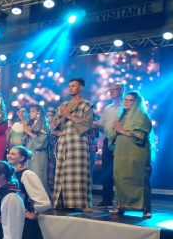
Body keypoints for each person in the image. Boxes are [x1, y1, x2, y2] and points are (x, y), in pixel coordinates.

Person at [51, 77, 94, 211]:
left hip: (78, 141)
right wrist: (61, 118)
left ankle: (83, 204)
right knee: (63, 171)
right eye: (69, 86)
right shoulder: (63, 105)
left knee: (79, 172)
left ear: (81, 87)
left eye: (74, 86)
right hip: (64, 141)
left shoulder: (86, 105)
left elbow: (88, 124)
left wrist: (69, 115)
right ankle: (63, 202)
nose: (70, 88)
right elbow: (54, 124)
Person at [109, 91, 153, 218]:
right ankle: (120, 206)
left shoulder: (142, 116)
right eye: (126, 99)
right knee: (120, 178)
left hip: (136, 152)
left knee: (139, 179)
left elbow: (141, 135)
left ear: (136, 102)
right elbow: (113, 134)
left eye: (130, 100)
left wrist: (121, 130)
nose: (127, 102)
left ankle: (146, 208)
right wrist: (115, 132)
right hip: (121, 152)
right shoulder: (121, 116)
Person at [95, 83, 123, 207]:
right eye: (109, 90)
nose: (111, 92)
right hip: (108, 141)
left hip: (121, 141)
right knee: (106, 171)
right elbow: (101, 124)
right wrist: (94, 124)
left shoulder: (126, 107)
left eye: (114, 90)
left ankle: (122, 200)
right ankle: (107, 199)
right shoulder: (107, 108)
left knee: (120, 171)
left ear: (121, 91)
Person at [22, 105, 51, 189]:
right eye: (30, 111)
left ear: (39, 113)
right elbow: (25, 141)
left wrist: (28, 132)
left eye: (33, 111)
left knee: (38, 176)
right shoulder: (31, 125)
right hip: (30, 155)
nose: (30, 113)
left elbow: (41, 143)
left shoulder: (43, 126)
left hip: (39, 156)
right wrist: (26, 132)